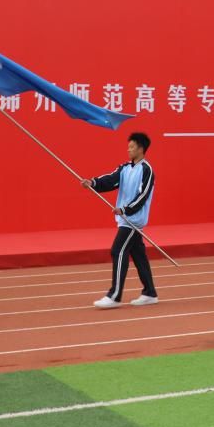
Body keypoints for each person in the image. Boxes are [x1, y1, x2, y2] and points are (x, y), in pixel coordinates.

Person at [85, 131, 158, 309]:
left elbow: (143, 196)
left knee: (118, 251)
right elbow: (111, 180)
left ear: (141, 149)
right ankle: (150, 293)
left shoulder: (147, 170)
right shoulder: (124, 168)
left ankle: (115, 296)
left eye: (132, 147)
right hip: (125, 218)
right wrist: (93, 183)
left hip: (133, 220)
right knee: (138, 255)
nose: (128, 150)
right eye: (128, 147)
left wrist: (126, 209)